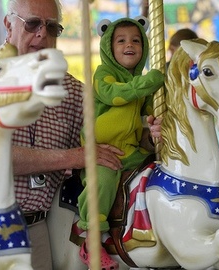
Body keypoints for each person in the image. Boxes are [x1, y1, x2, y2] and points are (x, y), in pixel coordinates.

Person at [0, 0, 163, 269]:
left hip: (39, 226)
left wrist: (153, 134)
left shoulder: (73, 92)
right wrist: (74, 157)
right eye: (32, 24)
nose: (42, 33)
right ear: (8, 25)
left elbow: (116, 141)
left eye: (52, 27)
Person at [76, 17, 164, 269]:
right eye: (121, 40)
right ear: (109, 47)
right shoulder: (104, 74)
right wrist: (150, 82)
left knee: (158, 174)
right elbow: (114, 95)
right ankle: (91, 242)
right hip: (102, 150)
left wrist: (155, 128)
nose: (130, 45)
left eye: (136, 40)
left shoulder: (145, 84)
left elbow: (148, 117)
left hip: (132, 151)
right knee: (102, 180)